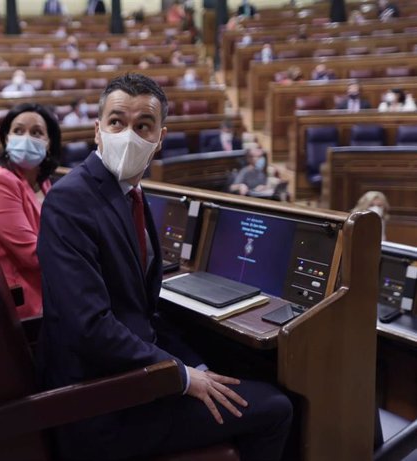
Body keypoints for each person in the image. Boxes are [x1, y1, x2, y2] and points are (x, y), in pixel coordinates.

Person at [36, 74, 292, 461]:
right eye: (117, 122)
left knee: (244, 375)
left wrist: (197, 364)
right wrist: (183, 375)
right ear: (97, 130)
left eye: (143, 126)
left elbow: (143, 311)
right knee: (275, 407)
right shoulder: (70, 200)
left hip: (130, 376)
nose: (128, 135)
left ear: (159, 139)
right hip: (102, 404)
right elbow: (89, 327)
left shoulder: (132, 194)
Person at [0, 103, 61, 318]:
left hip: (48, 286)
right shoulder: (0, 182)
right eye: (18, 131)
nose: (26, 138)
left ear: (48, 143)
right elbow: (33, 255)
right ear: (7, 139)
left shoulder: (42, 182)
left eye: (36, 132)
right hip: (21, 298)